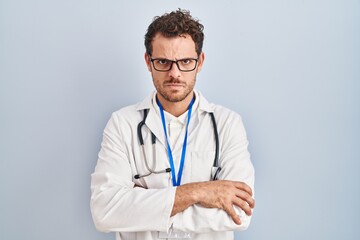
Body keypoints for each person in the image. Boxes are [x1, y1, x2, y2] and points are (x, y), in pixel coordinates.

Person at [90, 9, 255, 240]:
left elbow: (239, 214)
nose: (174, 73)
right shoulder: (122, 124)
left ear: (200, 62)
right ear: (148, 61)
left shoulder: (227, 124)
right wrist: (200, 192)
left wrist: (142, 205)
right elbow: (104, 211)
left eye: (185, 61)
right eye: (163, 62)